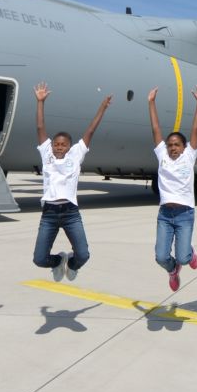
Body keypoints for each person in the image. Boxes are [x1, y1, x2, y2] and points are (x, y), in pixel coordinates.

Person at [31, 84, 112, 282]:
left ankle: (72, 264)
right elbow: (40, 127)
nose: (59, 147)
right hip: (49, 213)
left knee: (83, 255)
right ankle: (58, 261)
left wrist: (102, 108)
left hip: (70, 213)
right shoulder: (46, 154)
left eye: (63, 144)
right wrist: (40, 102)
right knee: (39, 259)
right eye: (56, 144)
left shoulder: (76, 155)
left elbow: (91, 130)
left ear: (70, 146)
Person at [148, 83, 197, 292]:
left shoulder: (188, 156)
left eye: (177, 145)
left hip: (184, 214)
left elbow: (195, 129)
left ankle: (188, 253)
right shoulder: (162, 156)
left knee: (183, 255)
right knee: (161, 257)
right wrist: (151, 103)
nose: (173, 147)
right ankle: (173, 270)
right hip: (165, 214)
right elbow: (156, 128)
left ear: (184, 147)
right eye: (170, 144)